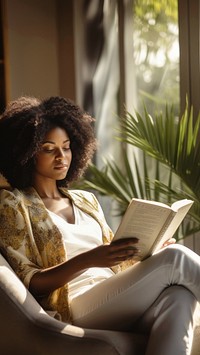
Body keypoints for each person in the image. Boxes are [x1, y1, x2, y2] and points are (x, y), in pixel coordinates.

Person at [0, 96, 199, 355]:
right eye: (49, 148)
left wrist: (151, 248)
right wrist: (89, 259)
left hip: (115, 294)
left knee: (179, 298)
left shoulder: (86, 200)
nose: (62, 156)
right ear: (26, 152)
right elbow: (31, 282)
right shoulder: (13, 204)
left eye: (67, 146)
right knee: (175, 259)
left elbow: (115, 260)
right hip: (75, 303)